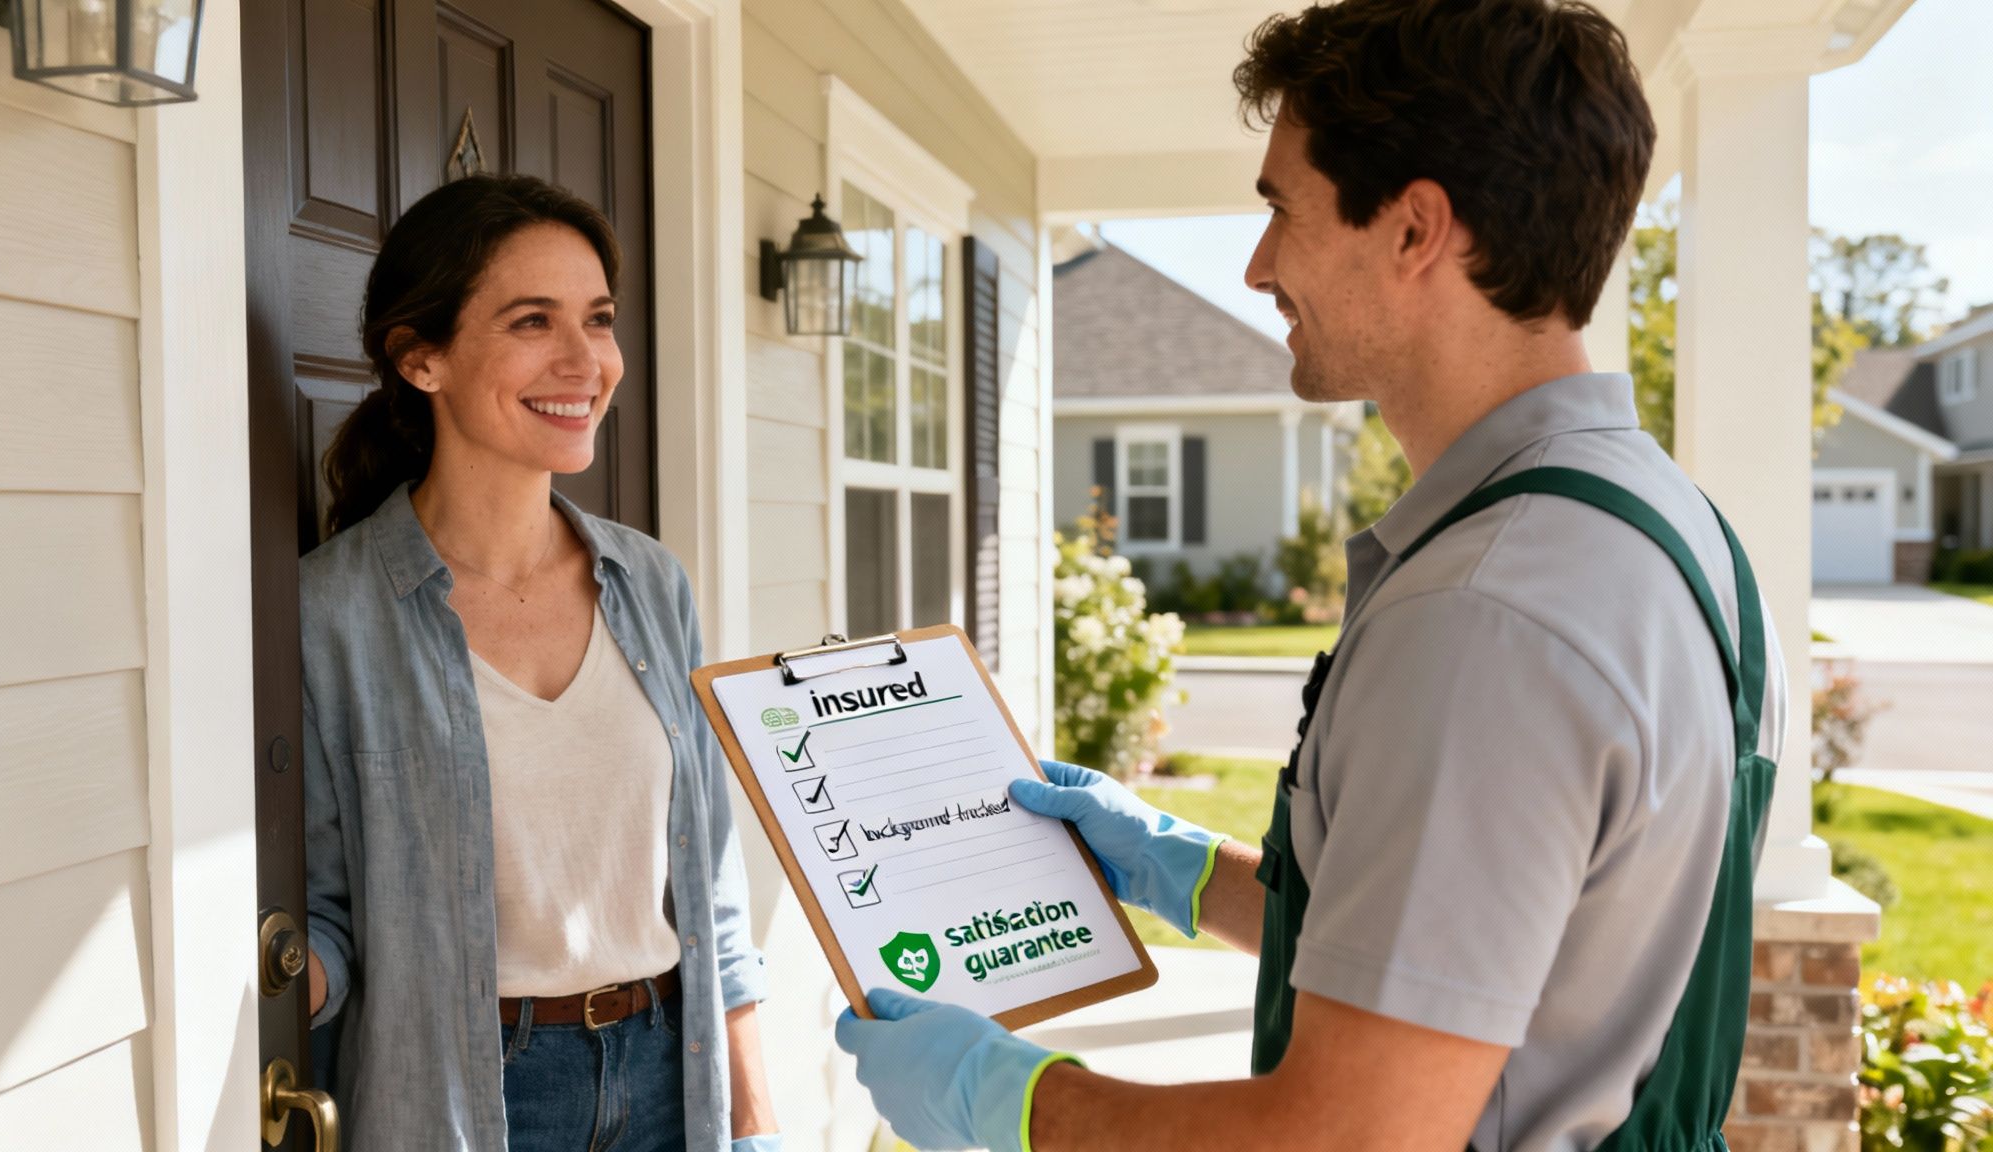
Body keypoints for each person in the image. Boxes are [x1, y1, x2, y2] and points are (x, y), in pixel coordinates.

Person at [834, 2, 1787, 1150]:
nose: (1255, 264)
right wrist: (1182, 870)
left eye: (1281, 207)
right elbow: (1490, 952)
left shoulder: (1485, 614)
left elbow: (1344, 1138)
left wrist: (1010, 1102)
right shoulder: (1676, 539)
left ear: (1412, 229)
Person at [299, 173, 779, 1152]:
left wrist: (755, 1119)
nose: (584, 361)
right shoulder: (329, 614)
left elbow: (708, 880)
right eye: (531, 321)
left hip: (666, 1071)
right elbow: (317, 919)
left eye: (597, 320)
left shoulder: (650, 582)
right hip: (467, 1095)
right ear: (421, 357)